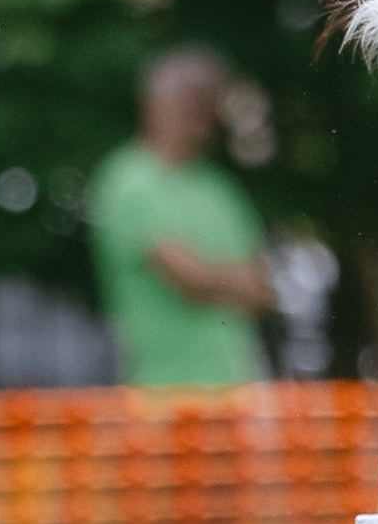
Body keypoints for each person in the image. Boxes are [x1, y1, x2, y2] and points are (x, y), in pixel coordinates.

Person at [88, 48, 277, 389]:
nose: (199, 111)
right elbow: (189, 280)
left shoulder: (221, 189)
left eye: (206, 98)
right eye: (187, 96)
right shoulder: (127, 182)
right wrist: (235, 283)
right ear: (152, 103)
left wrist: (210, 278)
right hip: (162, 395)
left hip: (239, 391)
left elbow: (264, 289)